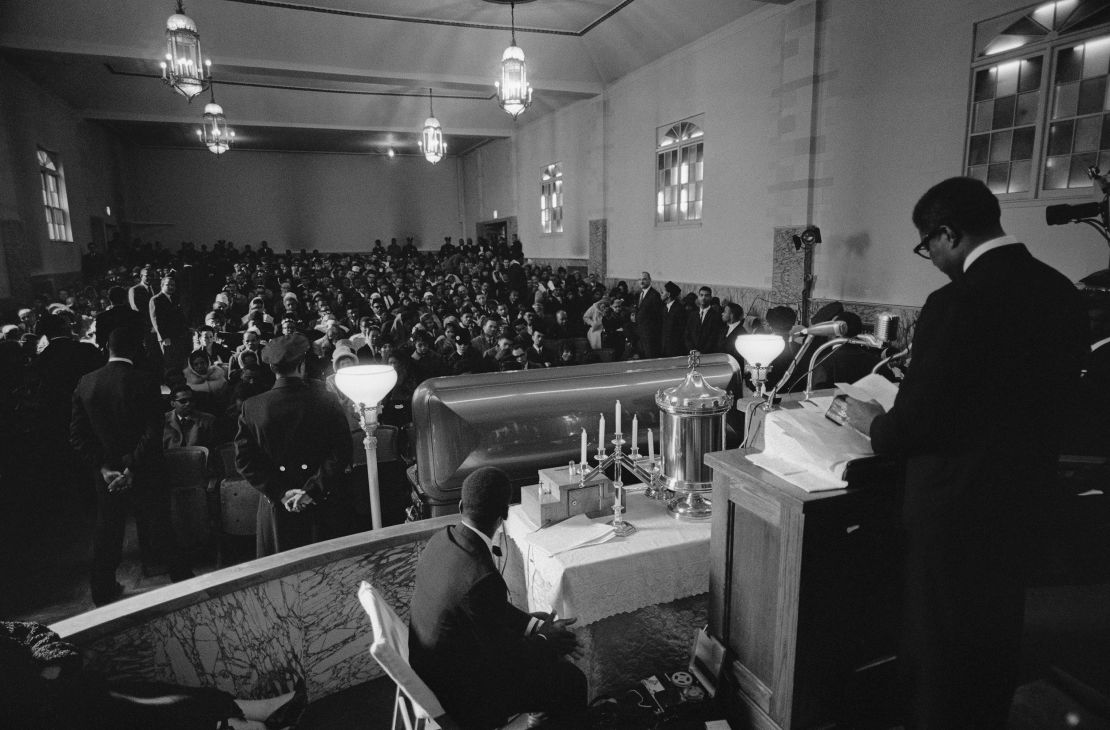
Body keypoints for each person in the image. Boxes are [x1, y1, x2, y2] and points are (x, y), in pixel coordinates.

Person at [831, 177, 1087, 729]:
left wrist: (875, 423)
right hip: (1022, 499)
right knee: (996, 637)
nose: (932, 259)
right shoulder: (1063, 291)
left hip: (954, 511)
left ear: (948, 232)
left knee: (940, 648)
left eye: (929, 246)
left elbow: (918, 424)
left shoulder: (956, 302)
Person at [409, 467, 587, 729]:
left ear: (461, 506)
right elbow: (505, 662)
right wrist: (547, 640)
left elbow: (487, 610)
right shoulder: (481, 577)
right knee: (571, 680)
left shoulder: (441, 540)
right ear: (504, 513)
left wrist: (533, 625)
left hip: (432, 671)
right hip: (462, 696)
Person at [70, 327, 191, 606]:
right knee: (160, 524)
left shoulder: (86, 383)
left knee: (108, 530)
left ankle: (102, 591)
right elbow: (152, 431)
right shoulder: (144, 380)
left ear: (107, 349)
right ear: (136, 350)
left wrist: (104, 468)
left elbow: (78, 435)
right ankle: (183, 581)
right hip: (144, 468)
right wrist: (131, 468)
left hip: (107, 475)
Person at [0, 620, 305, 730]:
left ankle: (245, 715)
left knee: (149, 694)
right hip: (54, 716)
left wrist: (49, 665)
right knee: (148, 710)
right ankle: (236, 723)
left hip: (70, 697)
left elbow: (27, 630)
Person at [234, 333, 352, 558]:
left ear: (272, 368)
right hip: (323, 504)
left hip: (278, 508)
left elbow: (244, 461)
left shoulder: (253, 407)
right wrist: (312, 491)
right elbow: (341, 452)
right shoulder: (325, 400)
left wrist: (280, 493)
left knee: (281, 575)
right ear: (302, 365)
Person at [163, 385, 217, 451]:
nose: (188, 403)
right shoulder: (162, 421)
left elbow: (212, 449)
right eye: (183, 401)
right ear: (173, 403)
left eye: (191, 400)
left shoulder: (208, 420)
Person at [684, 286, 723, 354]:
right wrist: (692, 349)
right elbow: (687, 334)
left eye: (706, 295)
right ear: (698, 297)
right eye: (701, 295)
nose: (703, 298)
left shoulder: (716, 316)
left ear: (710, 297)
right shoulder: (692, 314)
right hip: (691, 353)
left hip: (707, 354)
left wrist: (702, 352)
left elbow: (713, 337)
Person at [633, 271, 663, 359]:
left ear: (650, 280)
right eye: (640, 279)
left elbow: (657, 317)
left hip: (650, 336)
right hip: (640, 334)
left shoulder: (654, 295)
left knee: (649, 359)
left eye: (644, 279)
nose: (641, 282)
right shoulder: (639, 294)